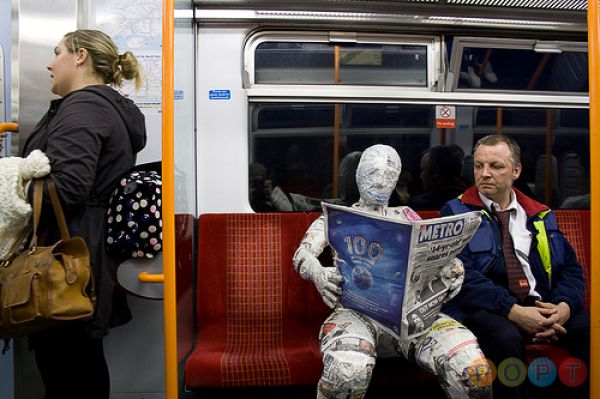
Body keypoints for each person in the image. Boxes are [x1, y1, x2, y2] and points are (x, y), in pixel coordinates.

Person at [293, 144, 492, 399]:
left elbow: (431, 257)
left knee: (473, 370)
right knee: (346, 373)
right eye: (372, 173)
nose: (380, 181)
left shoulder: (407, 216)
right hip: (356, 315)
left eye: (388, 175)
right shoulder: (336, 218)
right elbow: (302, 254)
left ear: (397, 179)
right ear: (358, 176)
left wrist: (453, 270)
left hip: (412, 319)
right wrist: (318, 273)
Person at [20, 29, 147, 399]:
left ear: (80, 57)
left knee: (67, 372)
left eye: (56, 52)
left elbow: (69, 187)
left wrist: (11, 186)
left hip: (66, 261)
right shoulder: (101, 106)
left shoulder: (85, 107)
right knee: (80, 366)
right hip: (83, 255)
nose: (49, 62)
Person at [440, 134, 590, 399]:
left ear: (516, 171)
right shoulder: (455, 213)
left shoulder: (539, 213)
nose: (484, 174)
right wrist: (513, 310)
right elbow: (459, 274)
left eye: (495, 166)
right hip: (489, 309)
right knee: (504, 338)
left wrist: (563, 308)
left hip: (542, 305)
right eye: (478, 166)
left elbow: (571, 270)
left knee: (593, 327)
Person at [408, 145, 467, 210]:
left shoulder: (419, 204)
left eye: (423, 170)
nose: (421, 176)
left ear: (435, 172)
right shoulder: (475, 200)